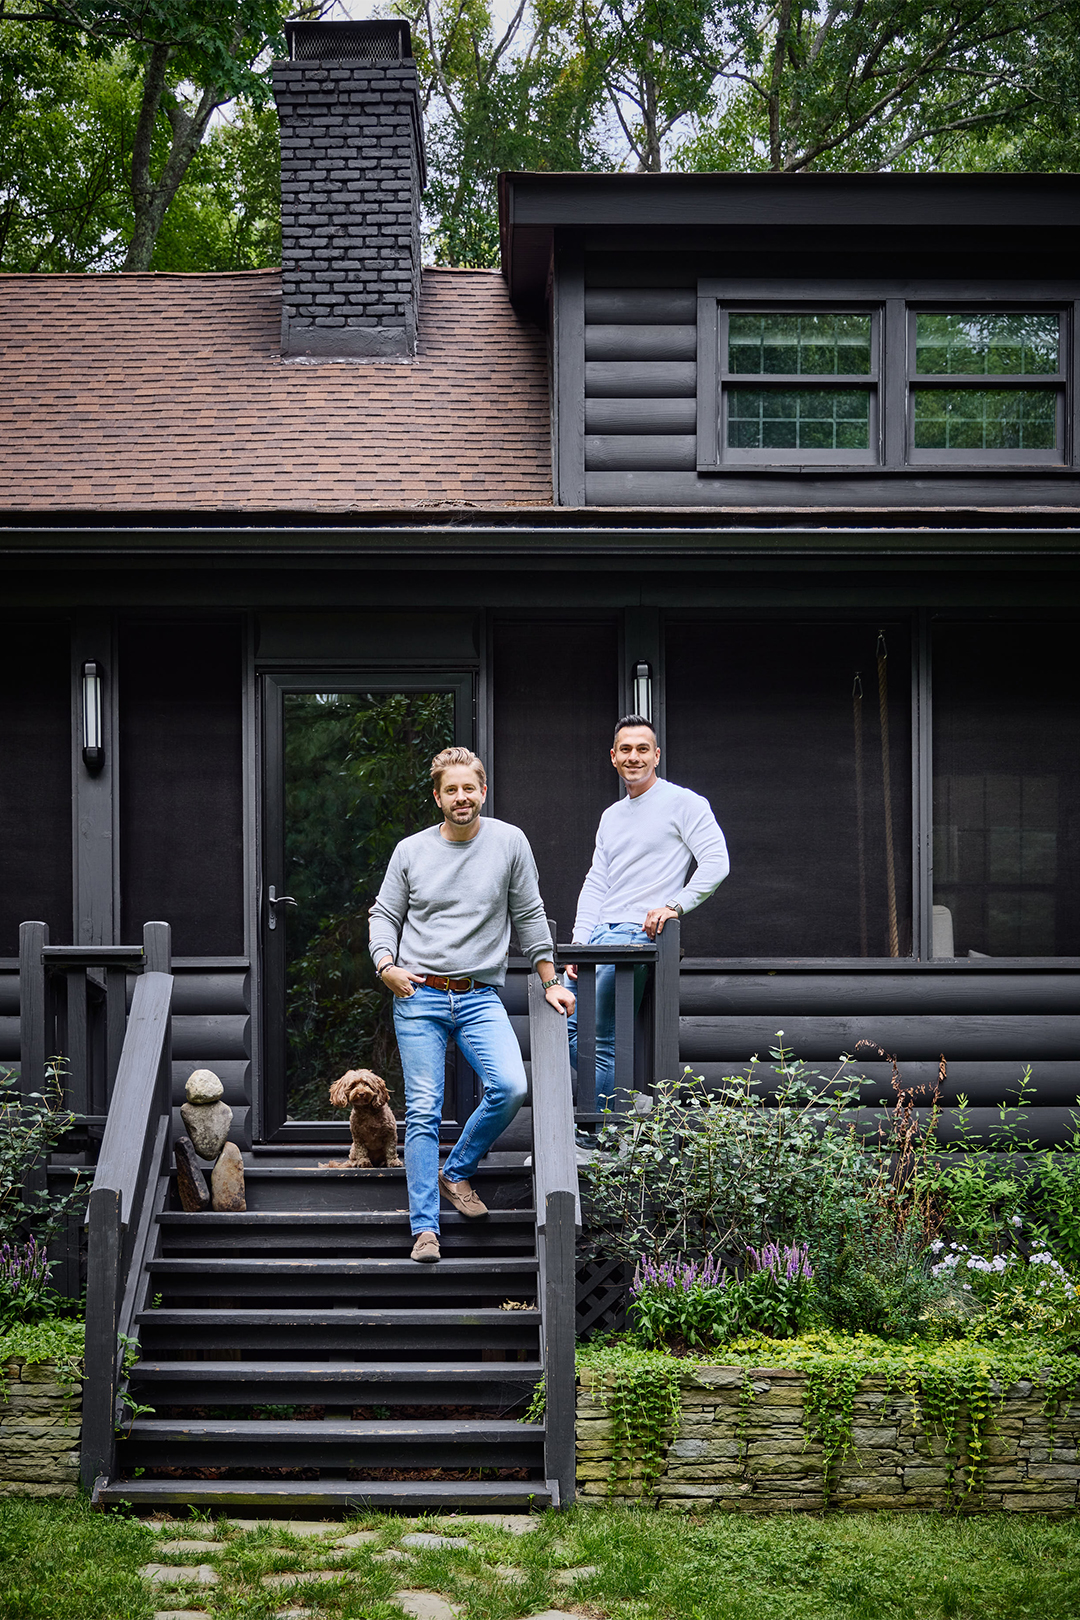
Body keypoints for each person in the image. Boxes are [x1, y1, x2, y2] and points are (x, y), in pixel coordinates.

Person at [370, 745, 575, 1264]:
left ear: (483, 791)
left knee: (510, 1086)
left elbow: (529, 913)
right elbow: (384, 914)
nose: (461, 797)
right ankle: (425, 1230)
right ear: (437, 797)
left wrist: (548, 979)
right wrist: (385, 966)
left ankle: (456, 1170)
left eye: (470, 787)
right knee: (422, 1111)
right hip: (419, 993)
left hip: (479, 994)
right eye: (451, 790)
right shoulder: (410, 851)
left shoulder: (509, 842)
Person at [567, 715, 730, 1109]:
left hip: (636, 936)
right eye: (626, 749)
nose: (634, 757)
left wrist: (675, 906)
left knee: (603, 1036)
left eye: (643, 749)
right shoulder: (611, 816)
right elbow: (596, 881)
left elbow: (717, 861)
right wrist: (579, 941)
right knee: (566, 1027)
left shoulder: (684, 802)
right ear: (613, 757)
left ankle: (596, 1136)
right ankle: (629, 1103)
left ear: (656, 755)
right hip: (597, 937)